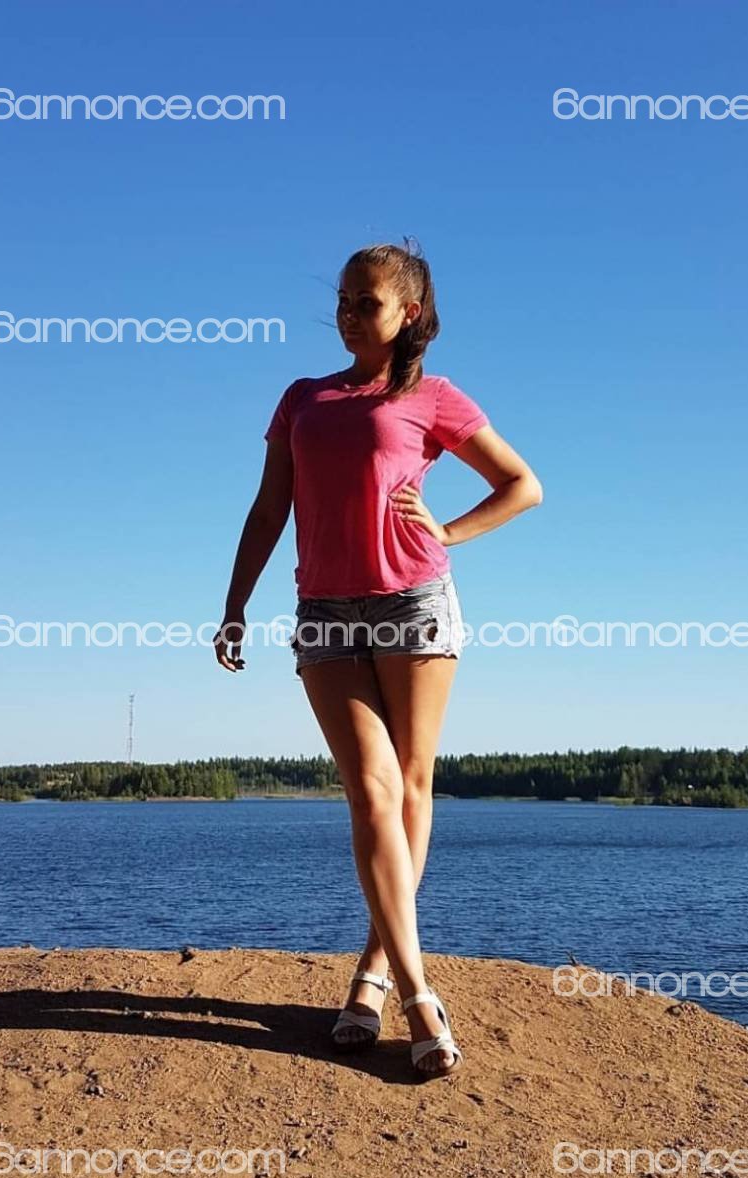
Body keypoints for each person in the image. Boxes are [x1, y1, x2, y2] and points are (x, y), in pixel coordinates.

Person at [214, 239, 543, 1079]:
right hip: (324, 611)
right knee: (370, 786)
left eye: (367, 302)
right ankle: (421, 993)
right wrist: (234, 606)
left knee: (411, 783)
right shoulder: (303, 398)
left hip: (413, 604)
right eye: (343, 300)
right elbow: (269, 508)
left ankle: (374, 972)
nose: (349, 315)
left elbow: (522, 484)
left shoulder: (431, 396)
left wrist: (448, 530)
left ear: (409, 313)